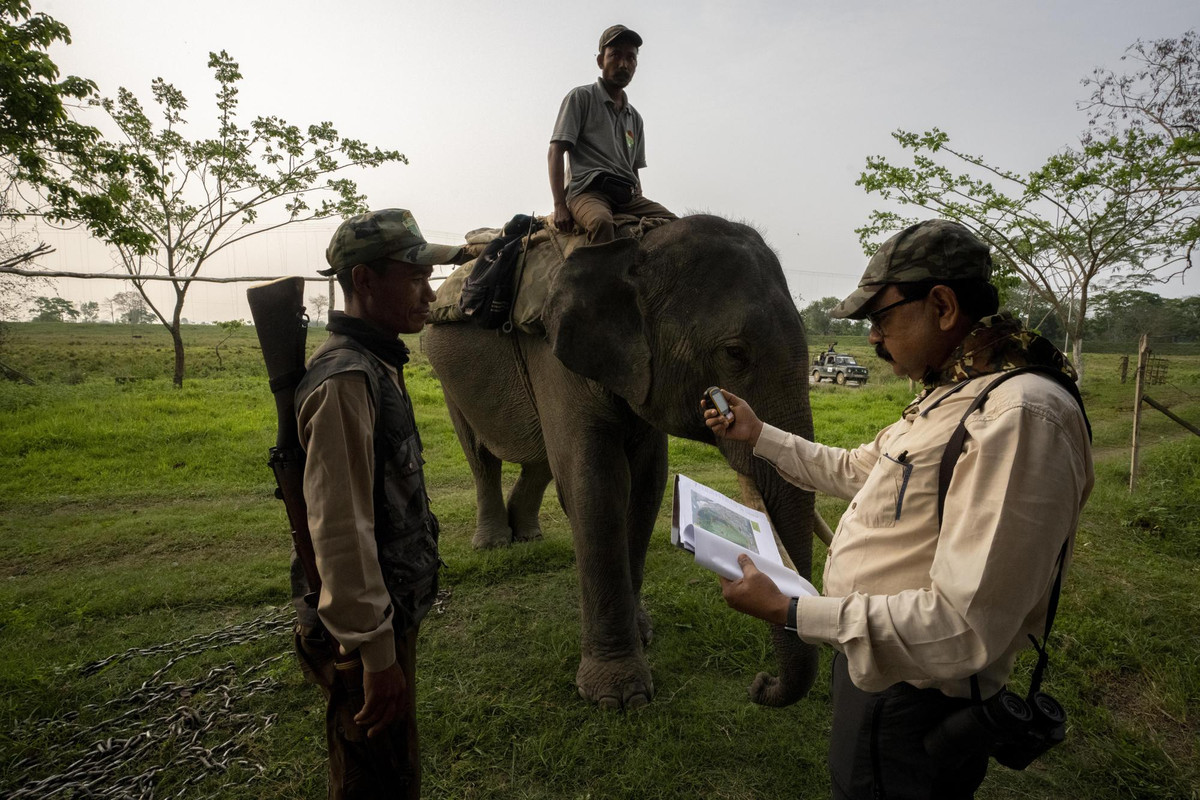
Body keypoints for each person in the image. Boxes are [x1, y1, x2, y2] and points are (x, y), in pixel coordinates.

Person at [704, 220, 1094, 800]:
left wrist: (793, 611)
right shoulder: (954, 394)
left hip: (919, 698)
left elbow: (962, 627)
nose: (873, 339)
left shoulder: (1019, 417)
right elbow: (854, 469)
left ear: (942, 306)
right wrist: (758, 433)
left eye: (881, 319)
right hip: (876, 665)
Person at [293, 208, 459, 800]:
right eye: (414, 277)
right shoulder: (346, 379)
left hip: (382, 616)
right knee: (376, 780)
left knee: (393, 770)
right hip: (363, 636)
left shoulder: (375, 363)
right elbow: (341, 530)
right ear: (363, 280)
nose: (429, 293)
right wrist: (374, 652)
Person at [548, 24, 676, 244]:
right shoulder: (581, 98)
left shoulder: (634, 117)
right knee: (601, 222)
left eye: (630, 58)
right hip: (588, 192)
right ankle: (596, 268)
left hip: (626, 197)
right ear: (600, 61)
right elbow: (555, 151)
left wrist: (638, 196)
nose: (623, 64)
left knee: (678, 226)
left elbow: (633, 168)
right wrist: (559, 204)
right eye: (615, 55)